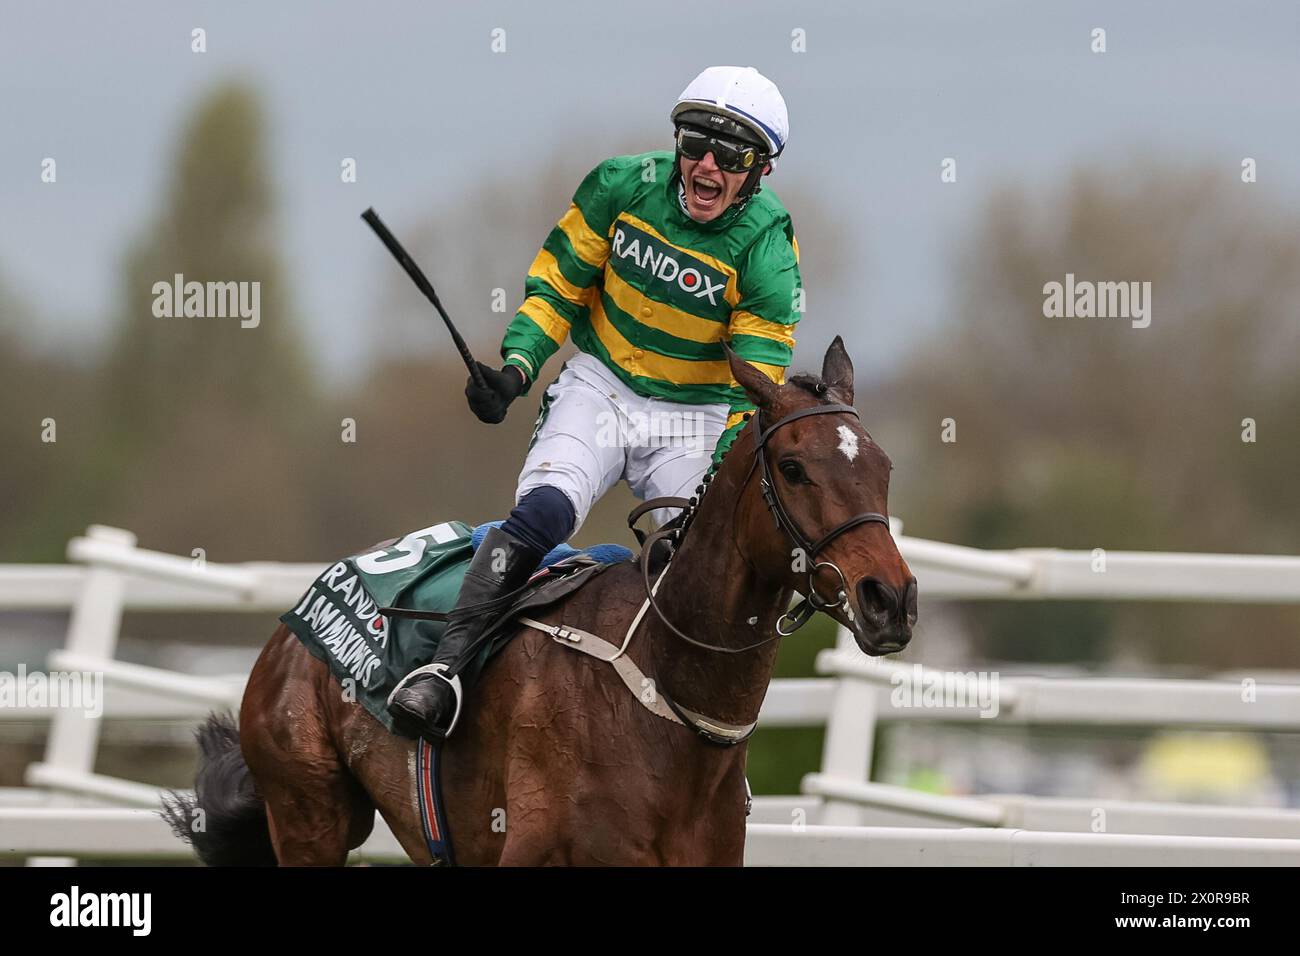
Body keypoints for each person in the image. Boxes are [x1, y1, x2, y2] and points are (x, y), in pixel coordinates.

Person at [388, 65, 803, 740]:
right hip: (602, 386)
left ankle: (700, 747)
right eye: (694, 141)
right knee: (545, 510)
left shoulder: (767, 249)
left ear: (759, 170)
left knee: (700, 562)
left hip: (696, 416)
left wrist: (714, 497)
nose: (704, 164)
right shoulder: (619, 186)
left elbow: (752, 391)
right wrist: (517, 369)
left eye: (729, 155)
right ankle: (445, 670)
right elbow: (558, 286)